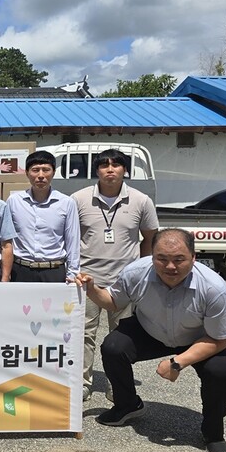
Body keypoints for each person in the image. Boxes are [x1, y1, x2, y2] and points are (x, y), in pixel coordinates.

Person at [77, 229, 226, 452]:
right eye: (162, 259)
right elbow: (113, 301)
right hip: (151, 330)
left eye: (179, 259)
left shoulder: (214, 289)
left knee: (219, 371)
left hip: (198, 339)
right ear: (152, 257)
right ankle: (127, 405)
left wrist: (178, 362)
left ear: (194, 257)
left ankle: (213, 431)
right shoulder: (136, 273)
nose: (170, 266)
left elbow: (221, 338)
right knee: (113, 347)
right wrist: (91, 288)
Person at [73, 148, 159, 401]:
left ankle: (117, 385)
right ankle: (82, 383)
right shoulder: (78, 199)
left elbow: (149, 237)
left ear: (125, 170)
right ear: (96, 170)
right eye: (104, 165)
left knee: (121, 337)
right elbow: (70, 236)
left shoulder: (141, 200)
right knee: (83, 334)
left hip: (124, 282)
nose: (110, 169)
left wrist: (140, 271)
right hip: (87, 280)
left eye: (116, 165)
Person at [7, 150, 79, 283]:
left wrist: (73, 273)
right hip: (21, 270)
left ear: (53, 172)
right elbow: (7, 240)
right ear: (27, 173)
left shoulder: (66, 203)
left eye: (46, 170)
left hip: (54, 271)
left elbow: (72, 240)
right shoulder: (14, 201)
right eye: (35, 170)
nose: (41, 175)